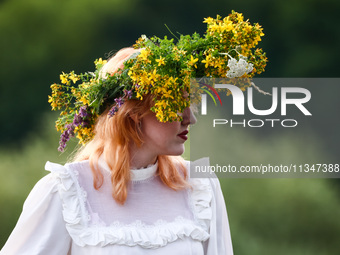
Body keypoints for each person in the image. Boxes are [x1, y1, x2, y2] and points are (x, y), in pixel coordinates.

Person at [1, 12, 267, 255]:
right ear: (133, 115)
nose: (191, 119)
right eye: (176, 107)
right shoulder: (65, 192)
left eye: (192, 105)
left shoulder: (200, 187)